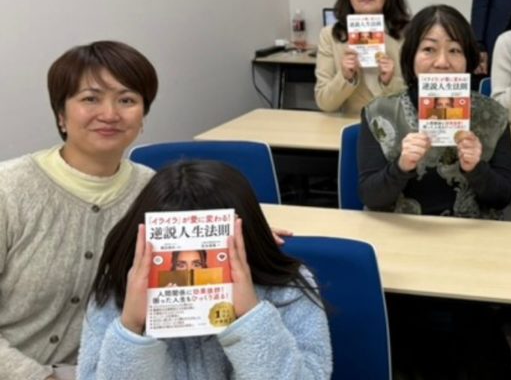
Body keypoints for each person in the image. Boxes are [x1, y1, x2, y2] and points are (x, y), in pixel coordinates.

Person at [78, 161, 330, 379]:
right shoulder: (122, 289)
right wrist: (132, 328)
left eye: (199, 262)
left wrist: (250, 318)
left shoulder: (283, 288)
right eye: (180, 263)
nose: (191, 273)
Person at [0, 41, 158, 380]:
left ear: (142, 116)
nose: (110, 114)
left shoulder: (154, 192)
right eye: (90, 99)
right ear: (61, 115)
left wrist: (250, 242)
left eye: (127, 100)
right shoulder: (8, 189)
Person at [358, 4, 511, 218]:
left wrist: (476, 169)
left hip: (471, 232)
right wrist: (401, 167)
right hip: (401, 230)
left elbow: (502, 199)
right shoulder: (379, 112)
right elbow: (370, 197)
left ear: (468, 58)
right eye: (429, 49)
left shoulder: (494, 115)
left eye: (454, 50)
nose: (442, 62)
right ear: (411, 56)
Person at [315, 0, 411, 116]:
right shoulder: (330, 36)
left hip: (396, 124)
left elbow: (419, 98)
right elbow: (324, 102)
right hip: (351, 123)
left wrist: (389, 82)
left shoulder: (407, 34)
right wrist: (345, 77)